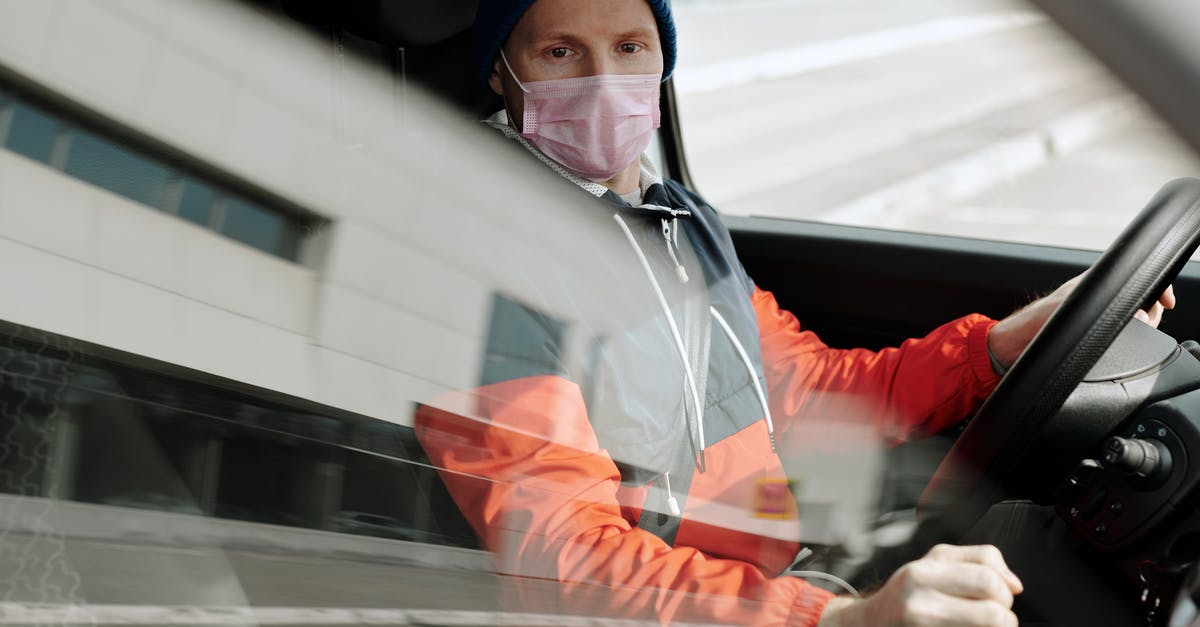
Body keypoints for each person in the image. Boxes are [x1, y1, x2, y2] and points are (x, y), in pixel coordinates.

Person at [413, 1, 1176, 625]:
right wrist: (836, 618)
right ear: (500, 72)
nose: (604, 78)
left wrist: (1005, 341)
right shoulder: (483, 259)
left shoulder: (678, 221)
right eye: (560, 54)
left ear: (661, 63)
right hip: (686, 606)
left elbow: (812, 391)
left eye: (629, 45)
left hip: (774, 553)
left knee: (1033, 540)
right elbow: (562, 559)